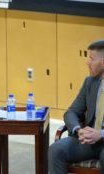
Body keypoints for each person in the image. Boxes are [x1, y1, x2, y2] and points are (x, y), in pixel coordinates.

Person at [49, 40, 104, 174]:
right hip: (87, 141)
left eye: (91, 58)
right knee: (56, 150)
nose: (87, 62)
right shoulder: (90, 82)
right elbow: (71, 112)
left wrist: (100, 134)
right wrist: (78, 130)